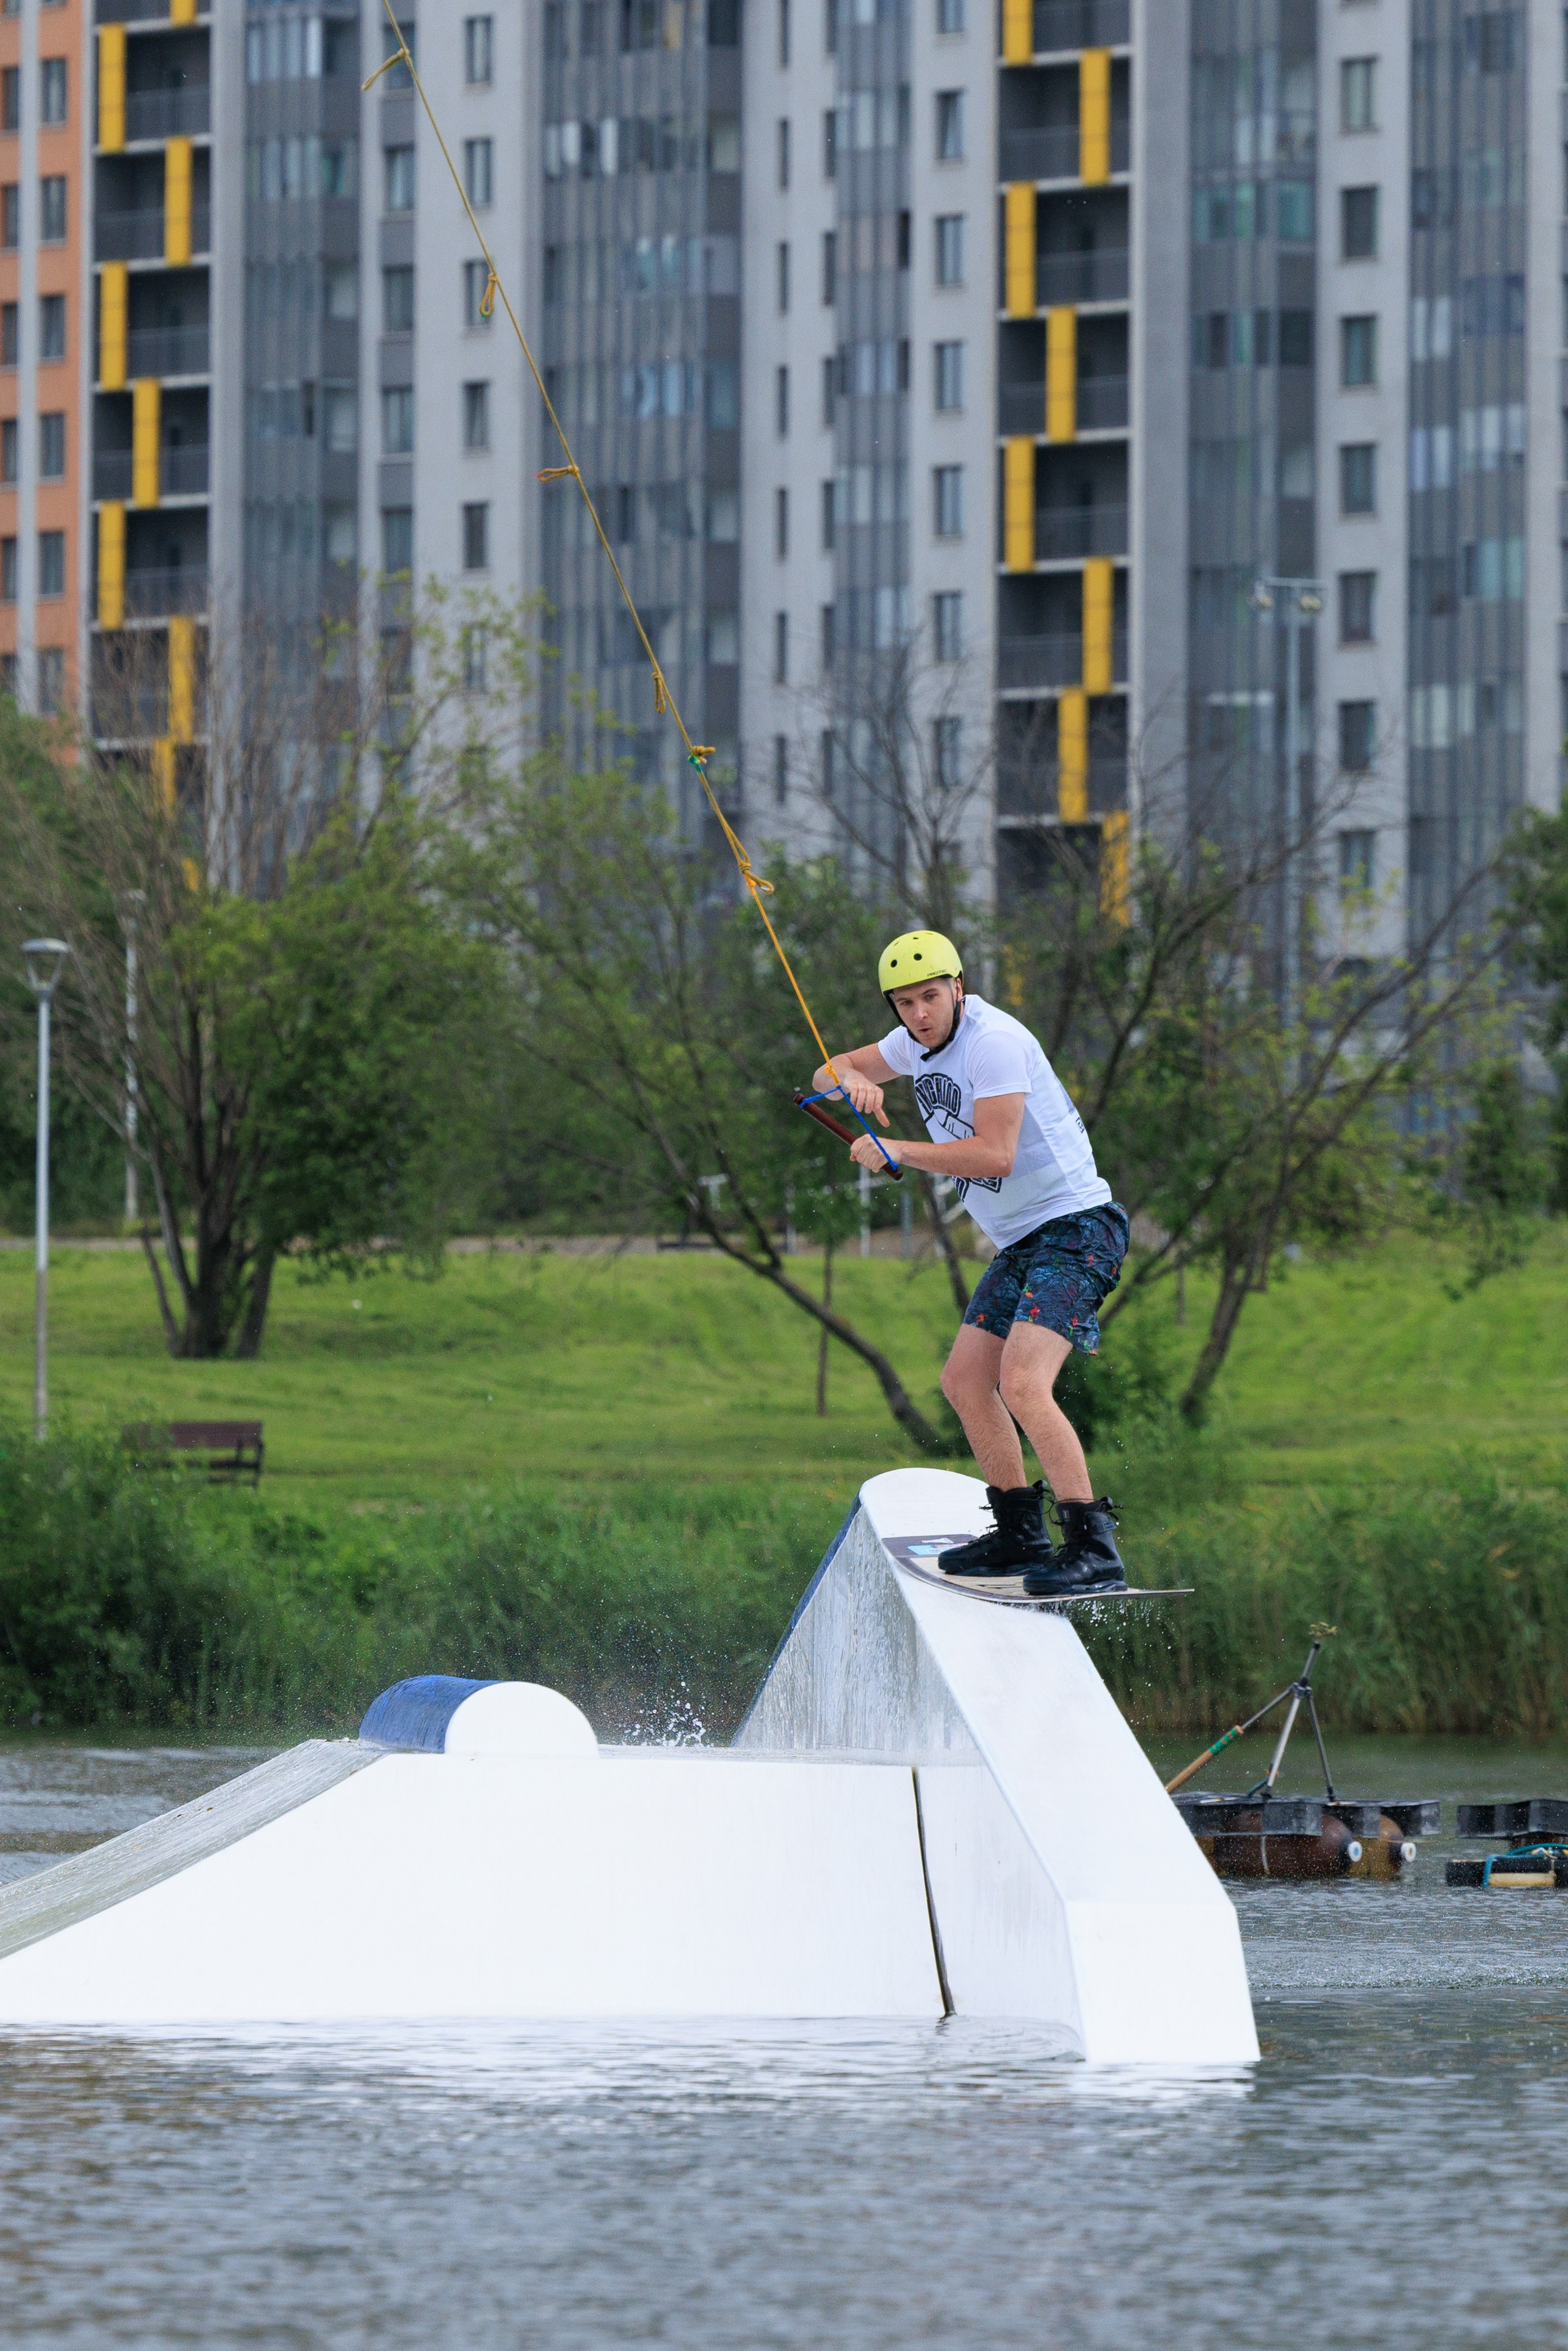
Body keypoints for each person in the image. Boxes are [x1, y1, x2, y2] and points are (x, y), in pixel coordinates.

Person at [809, 929, 1129, 1597]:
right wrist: (853, 1082)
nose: (919, 1013)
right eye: (904, 1003)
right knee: (963, 1381)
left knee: (1023, 1383)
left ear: (958, 987)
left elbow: (995, 1156)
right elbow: (825, 1072)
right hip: (1023, 1242)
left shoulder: (994, 1042)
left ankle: (1093, 1549)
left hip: (1077, 1229)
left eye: (930, 996)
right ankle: (1019, 1535)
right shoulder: (912, 1043)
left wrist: (898, 1149)